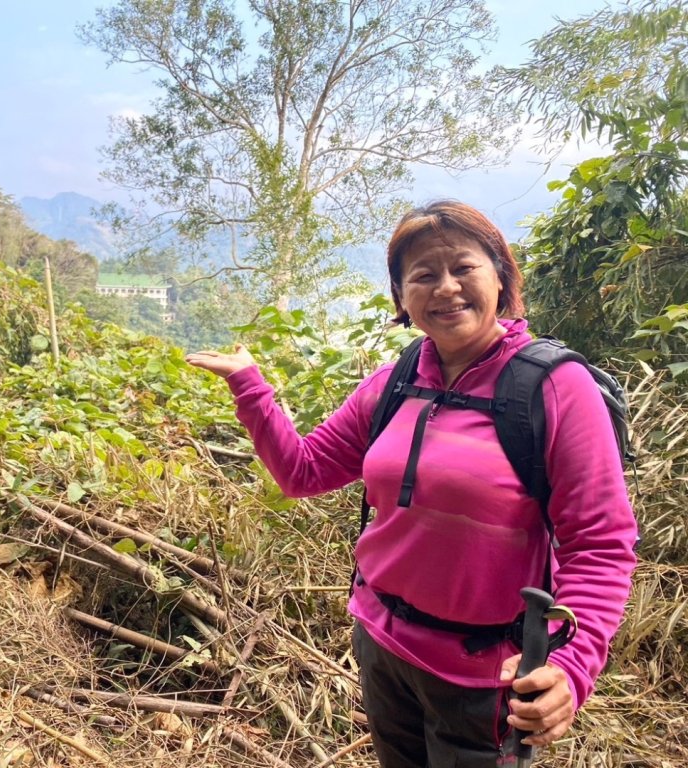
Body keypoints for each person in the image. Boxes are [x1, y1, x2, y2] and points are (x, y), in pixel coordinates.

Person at [185, 201, 637, 768]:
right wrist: (251, 389)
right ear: (402, 297)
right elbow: (302, 473)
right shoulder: (395, 383)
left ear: (501, 276)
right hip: (382, 646)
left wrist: (573, 667)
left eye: (464, 268)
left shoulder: (554, 388)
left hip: (485, 676)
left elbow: (601, 542)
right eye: (423, 275)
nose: (445, 287)